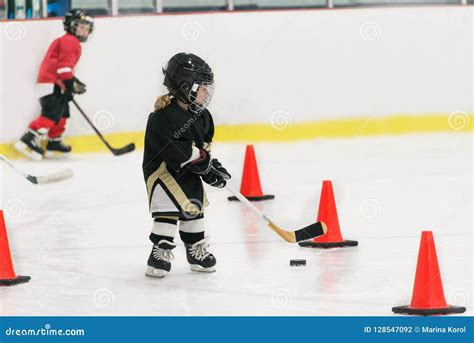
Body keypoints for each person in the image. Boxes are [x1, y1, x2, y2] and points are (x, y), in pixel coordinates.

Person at [142, 52, 231, 278]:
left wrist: (213, 168)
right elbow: (175, 152)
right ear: (184, 86)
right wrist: (204, 162)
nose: (206, 92)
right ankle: (159, 250)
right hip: (163, 172)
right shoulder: (162, 117)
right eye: (201, 87)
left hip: (187, 171)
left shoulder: (203, 117)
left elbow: (204, 150)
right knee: (168, 209)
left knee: (194, 207)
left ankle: (196, 250)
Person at [14, 8, 94, 160]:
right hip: (51, 85)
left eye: (87, 28)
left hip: (55, 84)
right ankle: (28, 139)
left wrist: (73, 83)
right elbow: (64, 68)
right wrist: (70, 85)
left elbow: (64, 69)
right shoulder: (70, 41)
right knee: (52, 113)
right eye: (81, 27)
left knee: (62, 112)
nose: (85, 31)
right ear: (71, 25)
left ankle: (54, 142)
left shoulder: (68, 41)